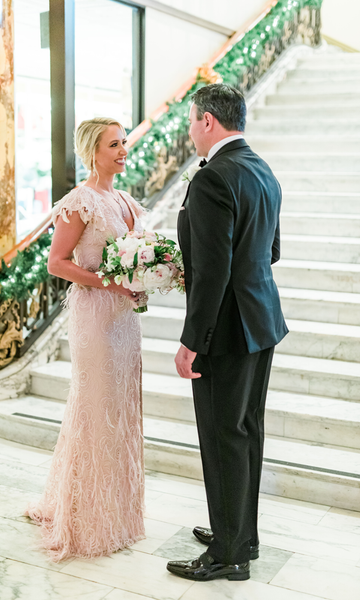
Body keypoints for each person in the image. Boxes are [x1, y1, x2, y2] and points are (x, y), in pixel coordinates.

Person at [167, 84, 288, 582]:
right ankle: (240, 533)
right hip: (262, 323)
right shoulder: (263, 170)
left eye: (192, 121)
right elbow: (271, 251)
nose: (191, 130)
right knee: (245, 433)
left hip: (228, 331)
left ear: (209, 122)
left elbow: (214, 271)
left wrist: (192, 339)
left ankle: (228, 554)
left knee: (222, 437)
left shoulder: (215, 177)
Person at [26, 118, 147, 561]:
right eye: (114, 144)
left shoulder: (124, 200)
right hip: (96, 318)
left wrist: (149, 275)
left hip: (125, 320)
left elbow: (134, 258)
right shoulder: (80, 202)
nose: (122, 150)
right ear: (92, 151)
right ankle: (86, 519)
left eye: (124, 143)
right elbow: (57, 263)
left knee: (121, 409)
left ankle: (118, 514)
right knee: (95, 409)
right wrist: (107, 283)